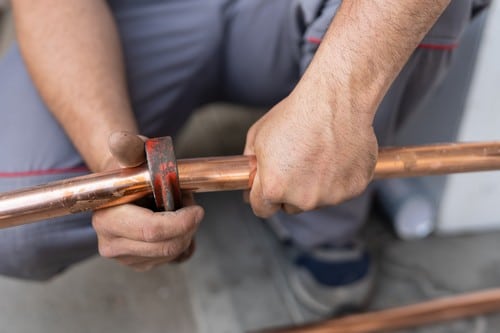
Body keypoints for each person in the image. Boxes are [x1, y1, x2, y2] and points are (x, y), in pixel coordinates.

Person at [0, 0, 483, 316]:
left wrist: (338, 95)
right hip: (139, 13)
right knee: (21, 223)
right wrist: (114, 170)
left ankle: (323, 227)